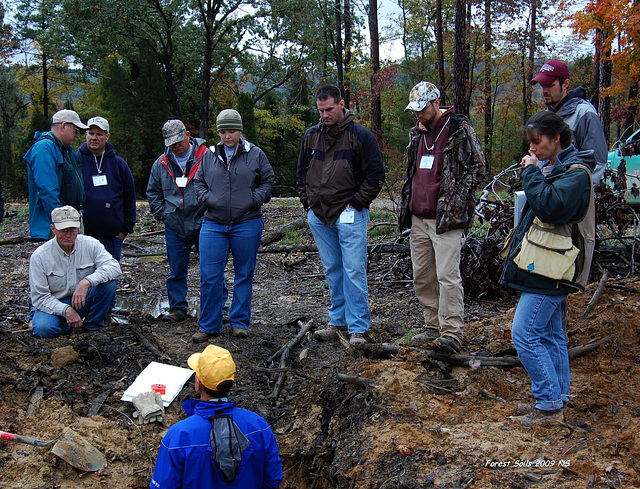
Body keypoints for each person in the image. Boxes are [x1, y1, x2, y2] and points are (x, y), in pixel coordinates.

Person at [500, 111, 596, 426]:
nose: (533, 149)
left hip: (554, 271)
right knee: (553, 334)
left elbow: (550, 207)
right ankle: (558, 396)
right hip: (547, 267)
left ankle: (548, 404)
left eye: (537, 142)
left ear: (556, 139)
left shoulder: (576, 173)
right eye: (530, 143)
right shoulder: (557, 168)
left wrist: (531, 173)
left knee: (524, 333)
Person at [398, 81, 486, 353]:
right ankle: (431, 325)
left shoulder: (459, 128)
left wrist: (458, 200)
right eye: (415, 110)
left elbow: (477, 166)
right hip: (418, 216)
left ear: (436, 103)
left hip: (447, 217)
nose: (419, 114)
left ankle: (451, 331)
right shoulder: (417, 133)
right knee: (422, 275)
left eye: (423, 109)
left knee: (447, 275)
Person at [297, 85, 385, 345]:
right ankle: (337, 321)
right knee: (333, 270)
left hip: (350, 214)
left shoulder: (360, 136)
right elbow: (301, 173)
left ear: (341, 104)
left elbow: (375, 175)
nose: (325, 115)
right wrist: (307, 203)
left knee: (354, 270)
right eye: (321, 110)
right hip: (319, 216)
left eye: (329, 109)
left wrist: (357, 203)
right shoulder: (310, 136)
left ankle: (358, 327)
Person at [192, 109, 275, 343]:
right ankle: (209, 324)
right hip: (213, 223)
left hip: (247, 222)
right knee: (209, 275)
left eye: (231, 131)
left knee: (244, 273)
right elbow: (198, 181)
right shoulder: (209, 155)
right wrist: (207, 199)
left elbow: (268, 181)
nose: (227, 136)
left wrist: (255, 199)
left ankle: (239, 322)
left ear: (239, 131)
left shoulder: (255, 154)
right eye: (223, 131)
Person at [150, 344, 283, 488]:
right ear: (230, 384)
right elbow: (273, 479)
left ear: (198, 383)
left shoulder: (179, 435)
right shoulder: (258, 426)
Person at [29, 206, 121, 338]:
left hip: (83, 299)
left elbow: (114, 267)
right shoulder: (40, 256)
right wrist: (65, 310)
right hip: (55, 304)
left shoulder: (91, 244)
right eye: (63, 230)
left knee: (109, 284)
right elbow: (40, 297)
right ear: (53, 229)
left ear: (79, 228)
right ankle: (66, 325)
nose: (68, 235)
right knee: (44, 330)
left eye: (72, 230)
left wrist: (87, 282)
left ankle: (91, 328)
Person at [147, 120, 207, 323]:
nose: (176, 145)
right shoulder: (160, 164)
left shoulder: (206, 157)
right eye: (171, 143)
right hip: (174, 223)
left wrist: (211, 212)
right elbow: (153, 192)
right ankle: (178, 309)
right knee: (176, 271)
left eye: (179, 140)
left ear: (188, 135)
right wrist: (162, 215)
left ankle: (215, 308)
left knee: (210, 269)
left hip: (203, 222)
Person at [530, 59, 608, 184]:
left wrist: (571, 192)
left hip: (571, 197)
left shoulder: (584, 113)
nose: (544, 90)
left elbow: (597, 161)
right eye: (542, 85)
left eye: (550, 85)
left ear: (565, 84)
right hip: (551, 195)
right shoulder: (546, 117)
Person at [78, 116, 136, 261]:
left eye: (99, 134)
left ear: (107, 136)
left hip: (112, 237)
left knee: (108, 280)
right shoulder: (76, 160)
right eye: (91, 133)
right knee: (84, 280)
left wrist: (124, 230)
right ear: (86, 135)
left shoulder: (118, 164)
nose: (94, 138)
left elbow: (129, 197)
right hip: (83, 237)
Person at [24, 109, 88, 240]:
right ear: (64, 126)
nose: (77, 135)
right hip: (57, 225)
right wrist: (61, 224)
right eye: (76, 130)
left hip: (71, 219)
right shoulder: (44, 148)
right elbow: (47, 189)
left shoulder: (67, 150)